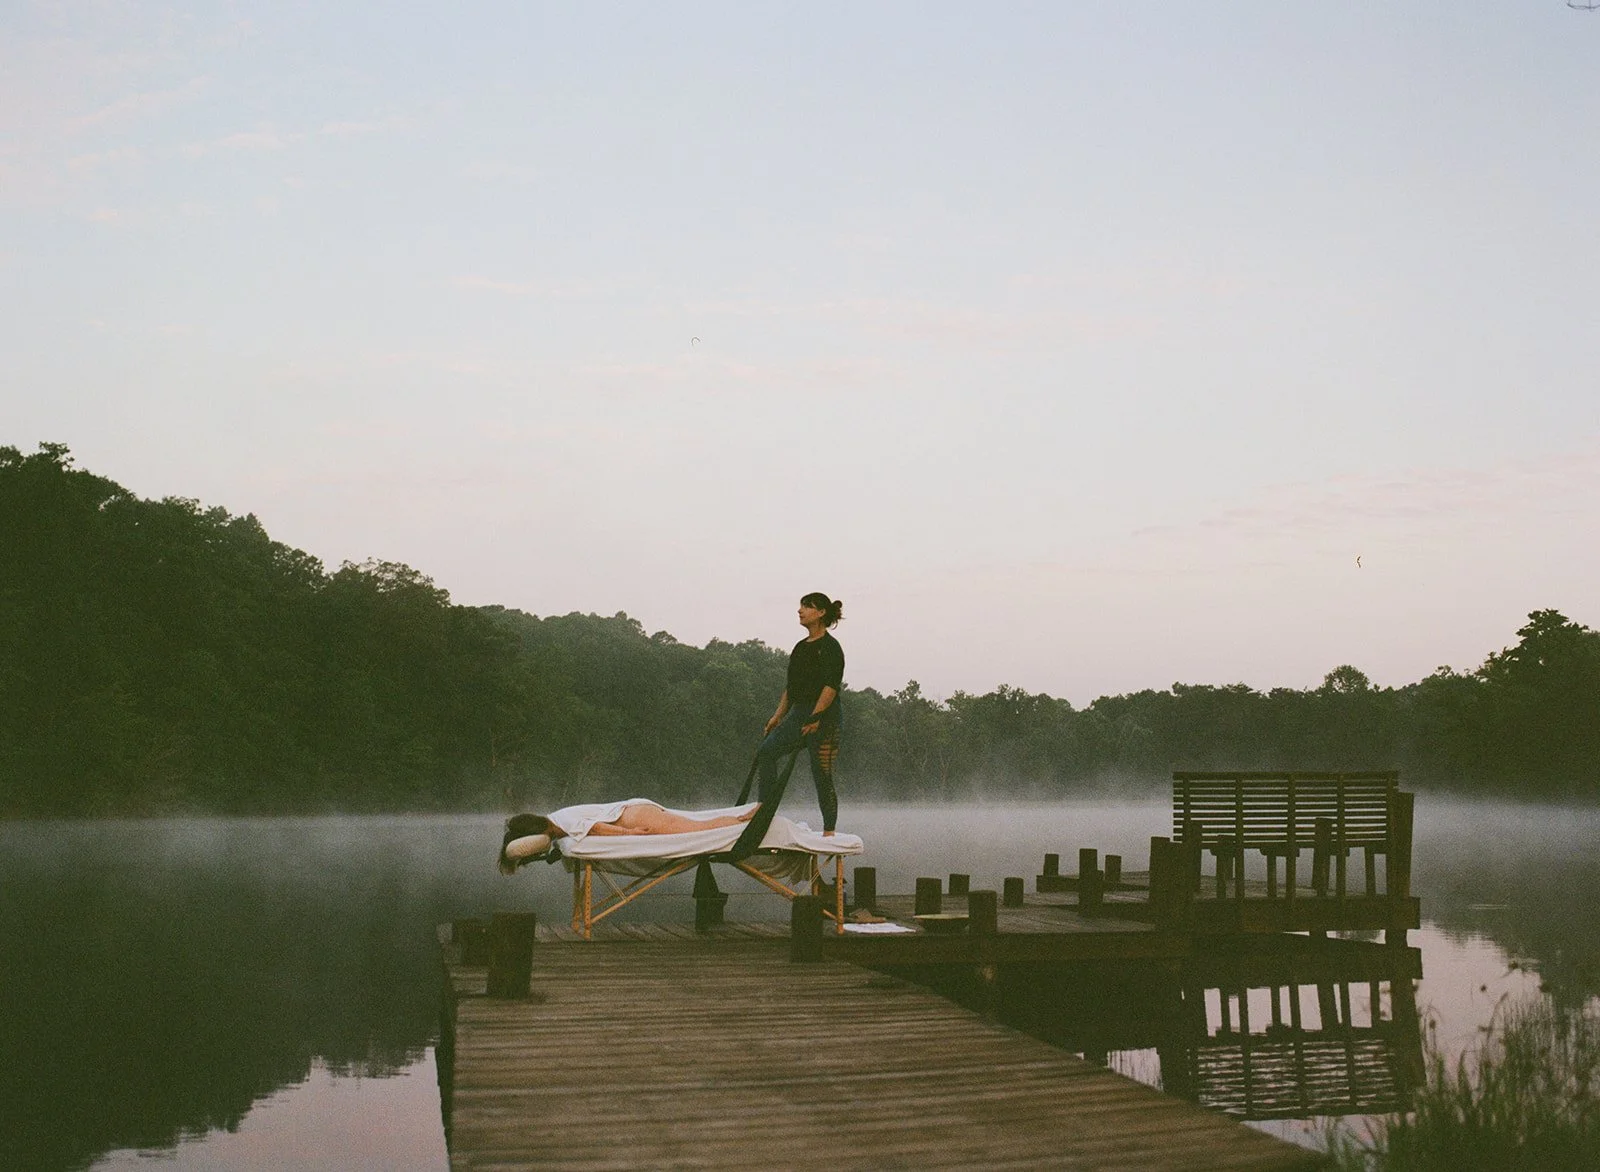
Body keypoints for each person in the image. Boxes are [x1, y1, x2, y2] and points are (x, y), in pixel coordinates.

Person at [756, 592, 844, 835]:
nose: (800, 610)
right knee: (767, 752)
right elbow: (791, 689)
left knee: (822, 775)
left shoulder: (831, 648)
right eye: (801, 606)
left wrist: (815, 718)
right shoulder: (800, 648)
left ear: (821, 613)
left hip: (825, 717)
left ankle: (829, 831)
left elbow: (830, 687)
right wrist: (777, 717)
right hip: (799, 713)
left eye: (807, 606)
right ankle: (763, 814)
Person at [498, 801, 755, 873]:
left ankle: (744, 820)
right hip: (633, 811)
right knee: (694, 823)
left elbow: (596, 827)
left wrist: (629, 833)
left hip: (635, 817)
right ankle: (742, 817)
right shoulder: (557, 821)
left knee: (697, 829)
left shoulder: (563, 823)